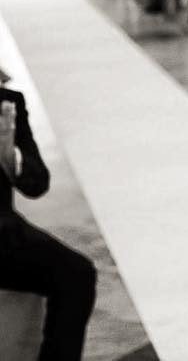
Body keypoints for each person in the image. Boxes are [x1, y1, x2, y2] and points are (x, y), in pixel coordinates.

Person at [0, 65, 97, 360]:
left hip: (3, 235)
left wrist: (10, 157)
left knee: (77, 274)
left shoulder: (8, 104)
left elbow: (38, 183)